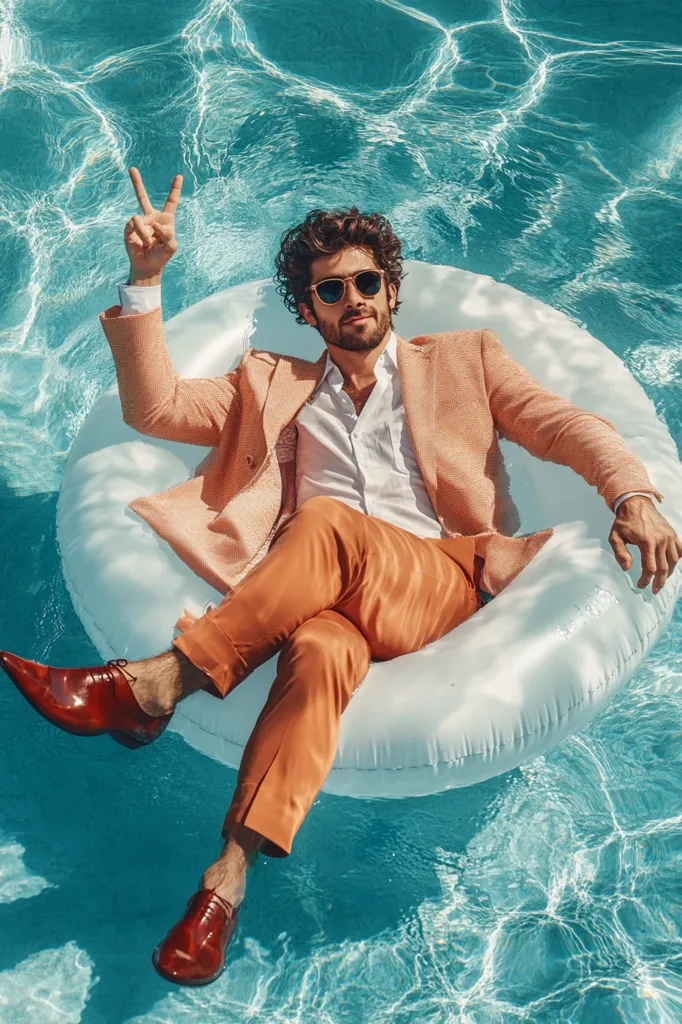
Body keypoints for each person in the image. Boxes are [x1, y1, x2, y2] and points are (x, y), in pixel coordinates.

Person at [2, 168, 680, 988]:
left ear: (392, 291)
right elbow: (155, 409)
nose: (353, 297)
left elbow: (563, 423)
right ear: (310, 308)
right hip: (332, 602)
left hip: (442, 580)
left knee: (325, 525)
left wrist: (633, 494)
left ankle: (155, 686)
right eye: (332, 289)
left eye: (367, 281)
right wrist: (146, 283)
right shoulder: (270, 385)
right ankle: (225, 884)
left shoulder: (465, 361)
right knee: (320, 648)